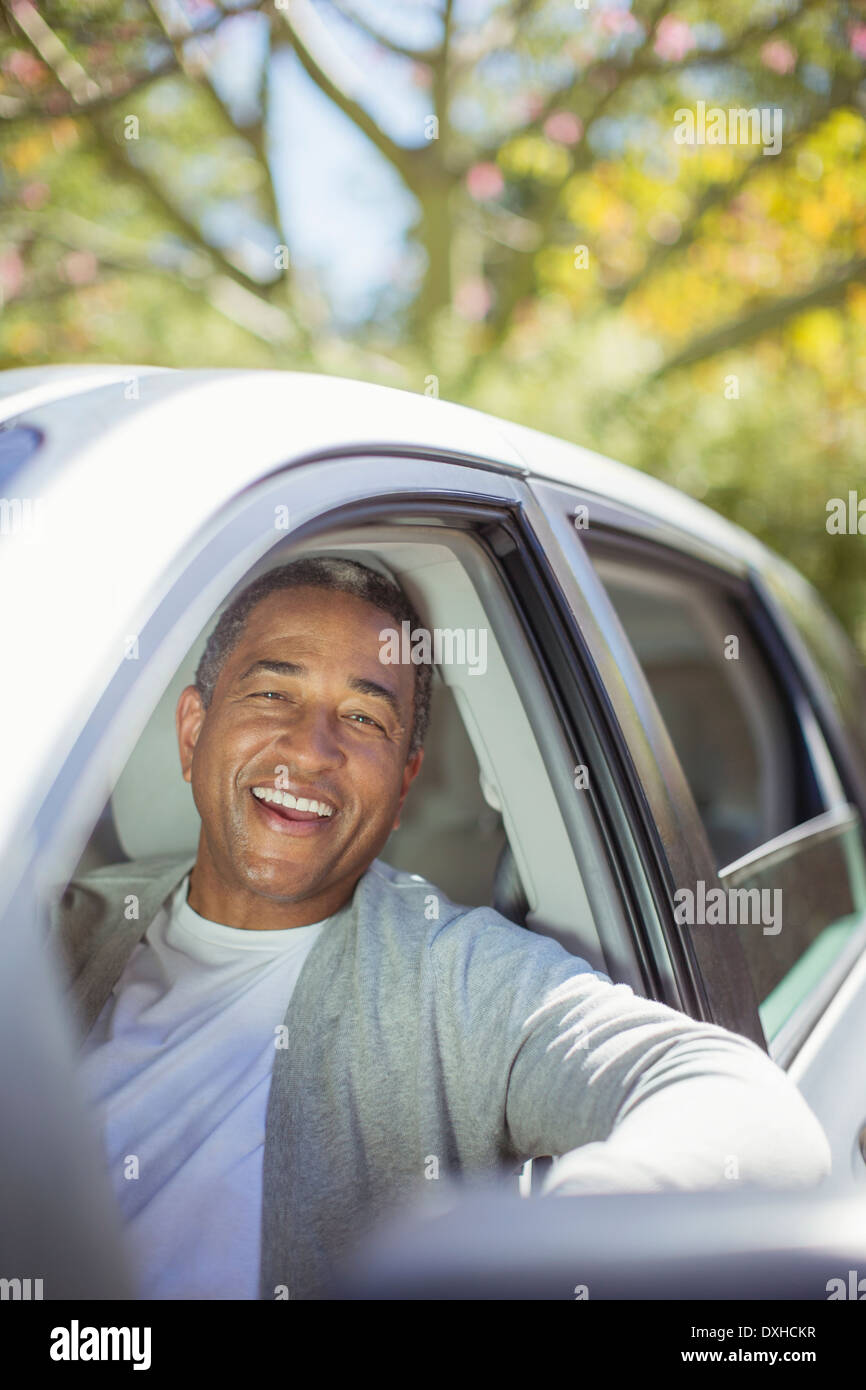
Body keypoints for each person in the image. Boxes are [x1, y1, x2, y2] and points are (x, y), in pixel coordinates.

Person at [50, 556, 831, 1301]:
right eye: (272, 695)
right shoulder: (55, 930)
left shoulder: (454, 976)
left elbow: (745, 1110)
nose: (311, 750)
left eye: (362, 717)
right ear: (194, 731)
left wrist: (564, 1239)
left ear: (403, 784)